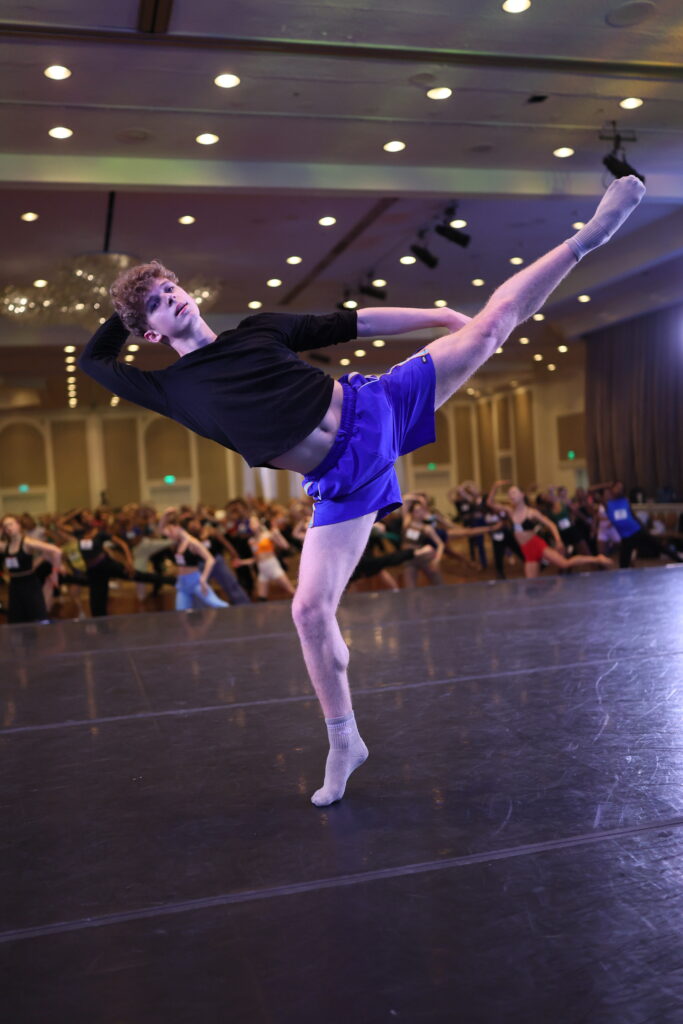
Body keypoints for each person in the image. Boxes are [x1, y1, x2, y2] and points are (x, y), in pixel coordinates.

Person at [79, 175, 645, 804]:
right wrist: (128, 303)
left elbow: (349, 322)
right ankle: (345, 738)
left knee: (489, 328)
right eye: (157, 302)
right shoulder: (168, 389)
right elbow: (93, 360)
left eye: (170, 286)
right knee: (308, 611)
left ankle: (591, 234)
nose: (172, 297)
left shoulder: (258, 330)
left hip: (376, 408)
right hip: (343, 482)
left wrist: (430, 314)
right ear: (149, 332)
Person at [487, 484, 613, 579]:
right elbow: (490, 503)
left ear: (522, 495)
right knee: (531, 583)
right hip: (526, 550)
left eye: (514, 492)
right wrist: (495, 486)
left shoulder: (531, 512)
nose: (511, 495)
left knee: (564, 563)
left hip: (536, 545)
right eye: (509, 493)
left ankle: (597, 559)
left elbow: (551, 524)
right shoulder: (510, 511)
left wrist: (558, 541)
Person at [159, 509, 230, 611]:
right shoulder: (177, 541)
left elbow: (210, 559)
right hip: (182, 583)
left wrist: (203, 579)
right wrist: (165, 515)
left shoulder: (193, 542)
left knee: (216, 603)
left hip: (195, 580)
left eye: (171, 531)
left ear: (177, 527)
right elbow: (161, 529)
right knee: (181, 611)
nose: (169, 534)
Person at [0, 514, 63, 624]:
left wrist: (55, 573)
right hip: (14, 585)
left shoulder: (27, 542)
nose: (8, 528)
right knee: (16, 620)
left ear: (19, 525)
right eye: (5, 526)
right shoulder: (5, 546)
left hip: (30, 584)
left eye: (10, 524)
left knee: (39, 617)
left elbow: (57, 551)